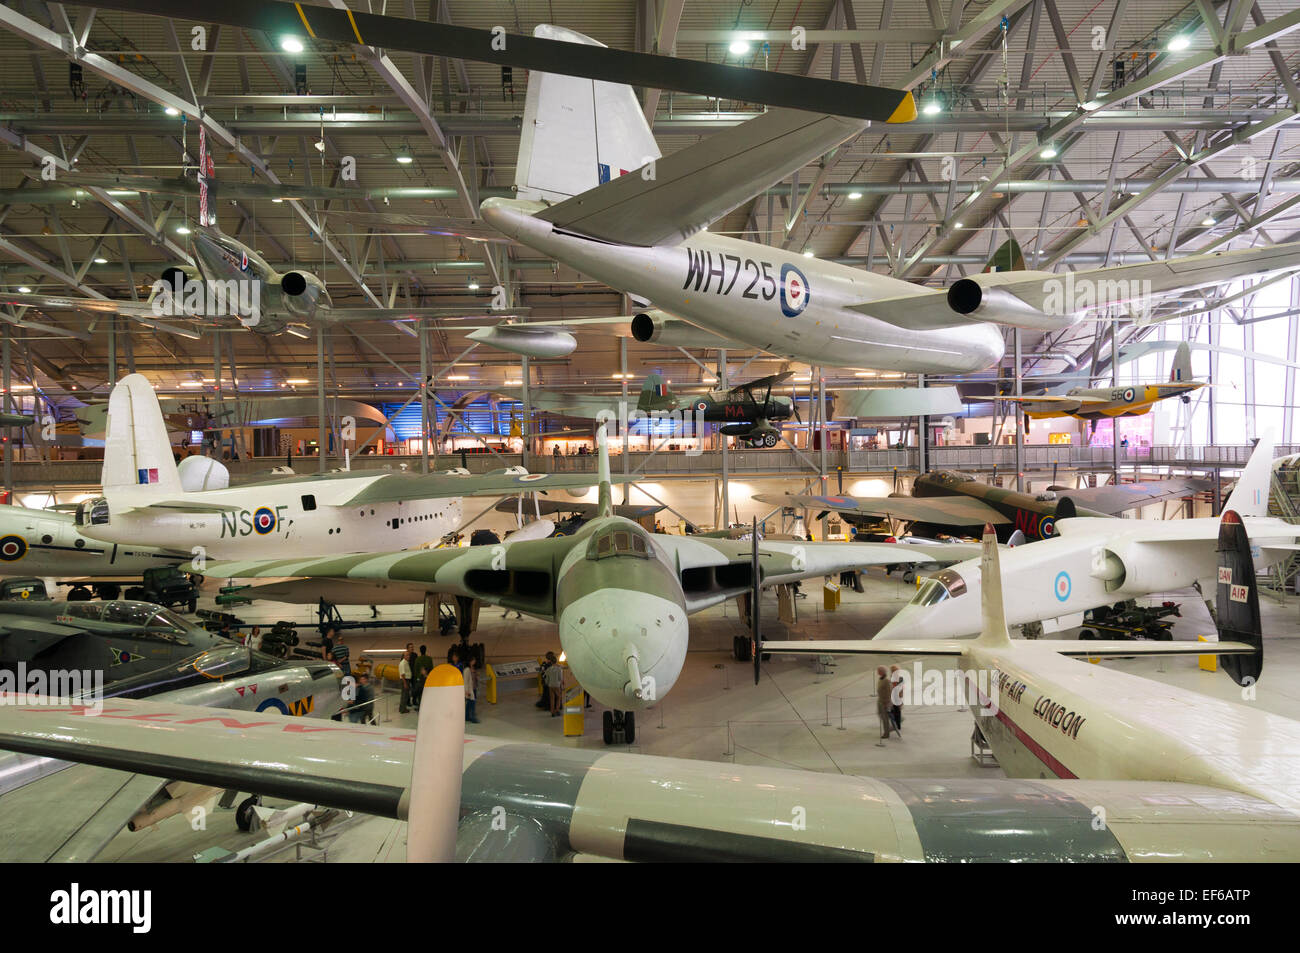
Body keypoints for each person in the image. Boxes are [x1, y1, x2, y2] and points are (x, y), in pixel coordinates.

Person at [876, 666, 894, 746]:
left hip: (884, 702)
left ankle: (886, 733)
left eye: (878, 671)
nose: (877, 672)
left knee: (885, 718)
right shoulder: (881, 679)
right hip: (880, 700)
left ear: (882, 672)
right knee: (879, 714)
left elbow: (889, 692)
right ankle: (889, 727)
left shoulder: (886, 681)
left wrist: (887, 703)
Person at [413, 644, 434, 708]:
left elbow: (415, 670)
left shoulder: (417, 659)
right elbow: (431, 669)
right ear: (426, 650)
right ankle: (427, 707)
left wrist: (417, 678)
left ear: (420, 651)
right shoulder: (429, 659)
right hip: (427, 679)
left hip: (420, 679)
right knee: (427, 693)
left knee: (420, 694)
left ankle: (420, 707)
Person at [544, 651, 564, 716]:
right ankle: (557, 710)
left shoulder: (549, 669)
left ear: (551, 662)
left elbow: (546, 678)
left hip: (550, 685)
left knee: (552, 699)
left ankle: (552, 712)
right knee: (558, 698)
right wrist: (561, 683)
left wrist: (547, 683)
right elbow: (560, 678)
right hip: (557, 685)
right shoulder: (559, 669)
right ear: (556, 661)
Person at [464, 657, 480, 724]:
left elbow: (474, 678)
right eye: (473, 660)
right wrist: (466, 691)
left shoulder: (472, 668)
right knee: (472, 703)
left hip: (474, 688)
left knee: (469, 704)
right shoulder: (467, 670)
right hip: (469, 690)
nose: (474, 661)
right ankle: (473, 718)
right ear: (470, 661)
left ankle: (467, 716)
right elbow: (465, 681)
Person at [889, 664, 904, 735]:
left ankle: (897, 725)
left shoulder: (899, 678)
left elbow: (901, 689)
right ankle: (897, 723)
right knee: (894, 711)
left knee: (896, 711)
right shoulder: (892, 677)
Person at [397, 649, 413, 714]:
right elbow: (402, 674)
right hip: (405, 680)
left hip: (406, 680)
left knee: (405, 695)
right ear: (404, 656)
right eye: (407, 655)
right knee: (404, 695)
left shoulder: (406, 662)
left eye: (409, 655)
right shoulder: (402, 663)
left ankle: (402, 708)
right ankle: (403, 709)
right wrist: (405, 683)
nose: (408, 656)